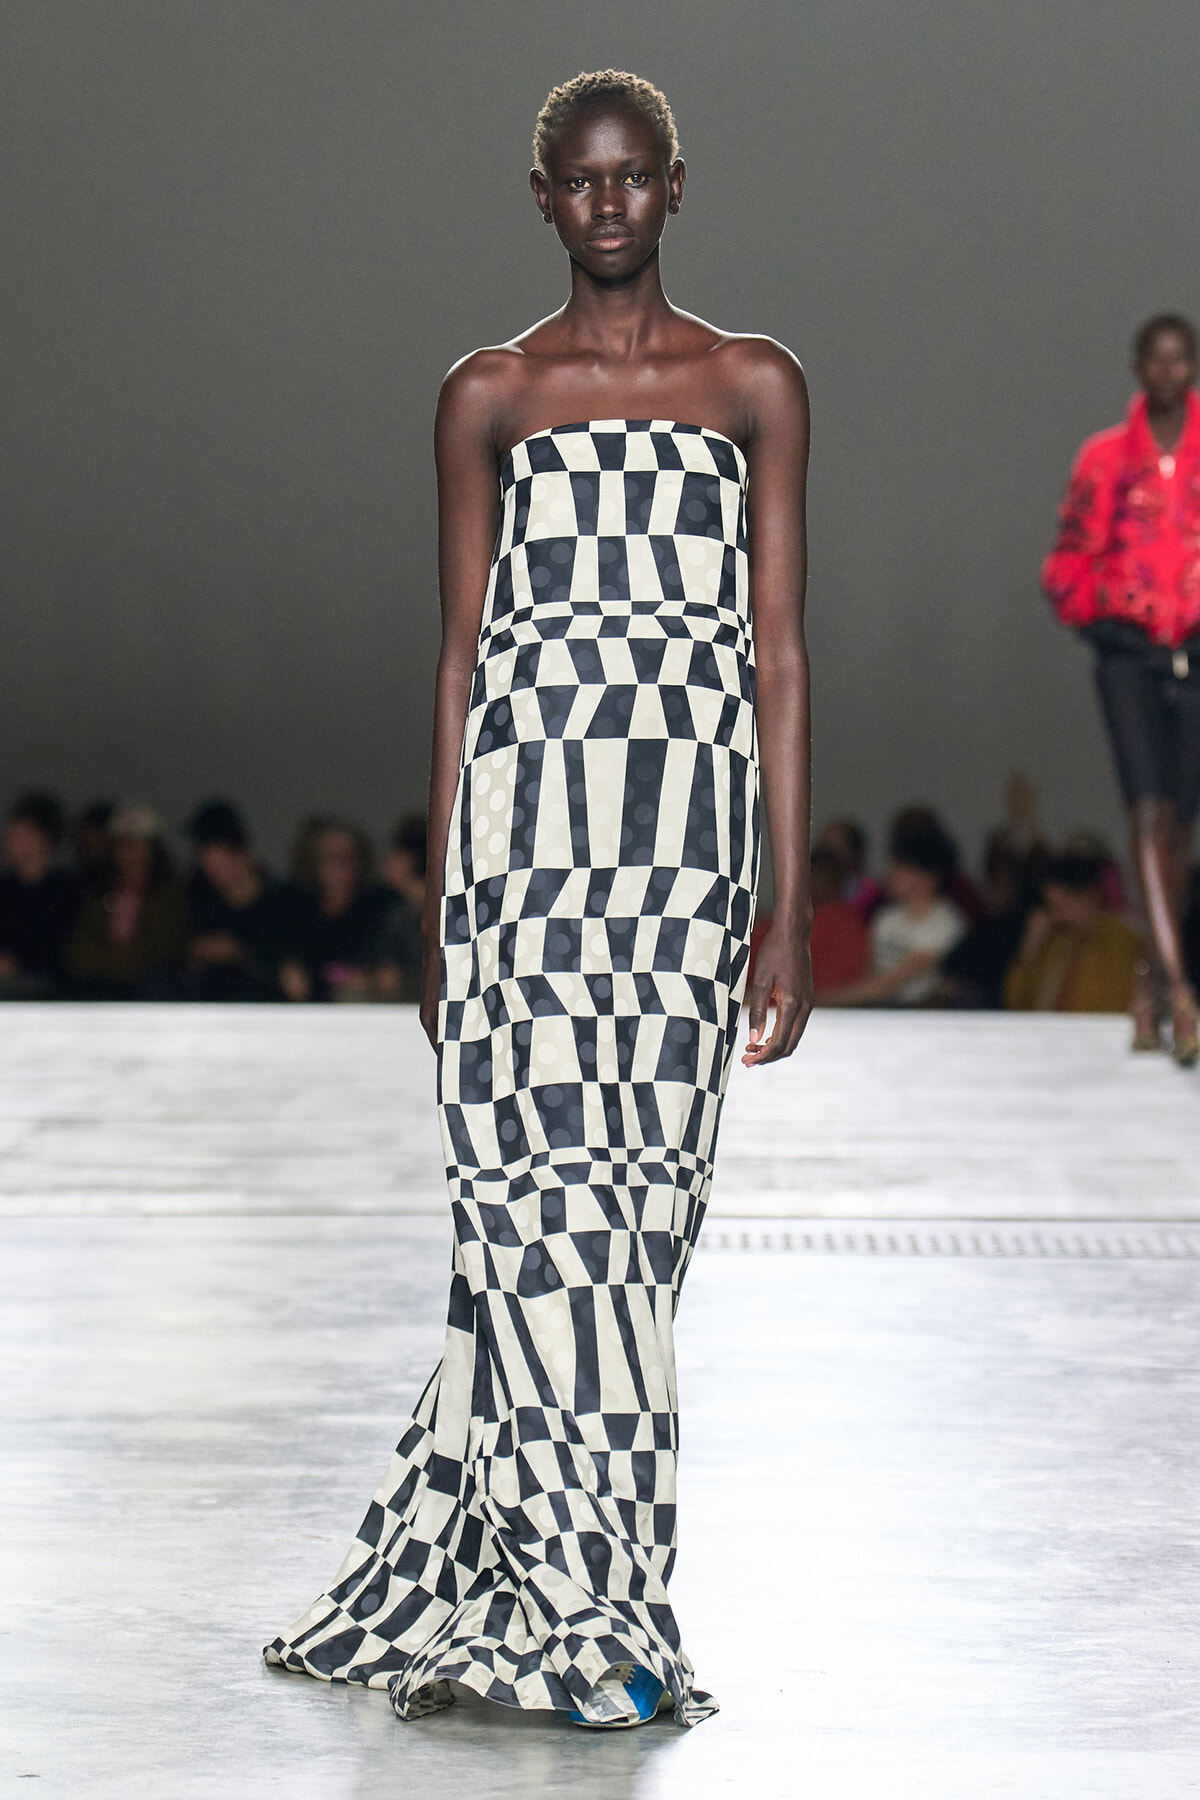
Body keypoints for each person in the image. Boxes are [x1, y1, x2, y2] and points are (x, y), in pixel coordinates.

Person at [266, 70, 812, 1730]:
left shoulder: (755, 386)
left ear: (675, 186)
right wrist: (441, 894)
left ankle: (580, 1582)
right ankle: (592, 1613)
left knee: (636, 1231)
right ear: (541, 198)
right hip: (524, 869)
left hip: (681, 870)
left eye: (633, 178)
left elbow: (775, 651)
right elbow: (460, 661)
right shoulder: (488, 396)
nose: (608, 205)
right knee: (524, 1228)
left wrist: (782, 898)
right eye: (580, 183)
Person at [1043, 313, 1200, 1063]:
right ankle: (1182, 987)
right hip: (1129, 653)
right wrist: (1098, 616)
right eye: (1157, 359)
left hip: (1197, 651)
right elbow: (1070, 551)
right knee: (1146, 815)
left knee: (1181, 830)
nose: (1169, 372)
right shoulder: (1105, 458)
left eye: (1182, 359)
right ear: (1139, 366)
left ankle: (1150, 986)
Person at [822, 819, 965, 1006]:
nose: (892, 873)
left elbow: (892, 983)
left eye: (902, 868)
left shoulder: (945, 922)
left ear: (929, 877)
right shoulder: (886, 918)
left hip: (920, 1013)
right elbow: (872, 976)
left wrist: (824, 1001)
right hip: (879, 1008)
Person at [66, 804, 186, 998]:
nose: (130, 853)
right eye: (123, 844)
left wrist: (119, 962)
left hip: (149, 992)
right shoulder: (97, 894)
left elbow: (166, 950)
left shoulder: (168, 896)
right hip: (99, 989)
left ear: (153, 849)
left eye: (137, 844)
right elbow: (79, 951)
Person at [1005, 853, 1143, 1013]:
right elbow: (1014, 1003)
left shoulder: (1121, 942)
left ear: (1089, 896)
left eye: (1062, 905)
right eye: (1051, 906)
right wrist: (1030, 947)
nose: (1056, 916)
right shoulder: (1053, 941)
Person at [182, 800, 290, 1001]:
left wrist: (240, 953)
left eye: (221, 861)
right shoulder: (200, 898)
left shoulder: (279, 903)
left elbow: (287, 973)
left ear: (243, 854)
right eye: (207, 862)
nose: (213, 871)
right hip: (209, 1011)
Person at [277, 817, 387, 1002]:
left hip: (363, 1013)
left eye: (349, 858)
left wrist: (369, 981)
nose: (342, 867)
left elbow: (389, 975)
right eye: (333, 859)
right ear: (315, 864)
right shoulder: (296, 909)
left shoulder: (378, 907)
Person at [0, 792, 79, 998]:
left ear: (42, 839)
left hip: (44, 986)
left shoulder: (65, 890)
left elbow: (59, 948)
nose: (9, 839)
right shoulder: (6, 888)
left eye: (20, 833)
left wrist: (17, 962)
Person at [373, 814, 427, 1002]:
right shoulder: (396, 911)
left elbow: (389, 980)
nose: (387, 860)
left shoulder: (444, 912)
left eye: (395, 853)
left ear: (412, 859)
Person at [808, 846, 870, 996]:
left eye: (819, 875)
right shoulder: (777, 924)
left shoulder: (848, 928)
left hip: (832, 1012)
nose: (812, 881)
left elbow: (839, 987)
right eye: (811, 874)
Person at [814, 817, 884, 921]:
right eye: (824, 844)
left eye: (834, 845)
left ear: (854, 851)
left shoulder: (873, 891)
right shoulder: (814, 890)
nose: (826, 852)